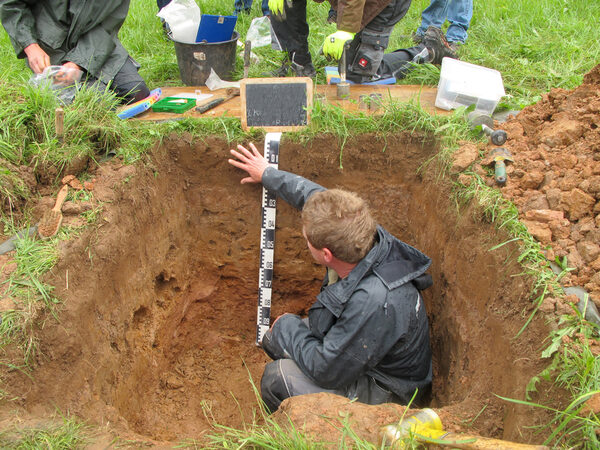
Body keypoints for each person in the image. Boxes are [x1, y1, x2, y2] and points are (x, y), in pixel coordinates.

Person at [228, 142, 433, 412]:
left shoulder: (373, 300)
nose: (305, 239)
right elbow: (315, 198)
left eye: (307, 240)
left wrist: (288, 329)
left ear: (326, 255)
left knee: (278, 376)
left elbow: (326, 370)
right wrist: (267, 173)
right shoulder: (357, 231)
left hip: (390, 394)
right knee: (277, 337)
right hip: (374, 350)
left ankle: (300, 433)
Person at [0, 0, 150, 104]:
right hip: (53, 46)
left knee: (137, 92)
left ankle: (95, 79)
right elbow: (11, 4)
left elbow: (109, 23)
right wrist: (30, 46)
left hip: (99, 45)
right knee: (98, 101)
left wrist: (79, 63)